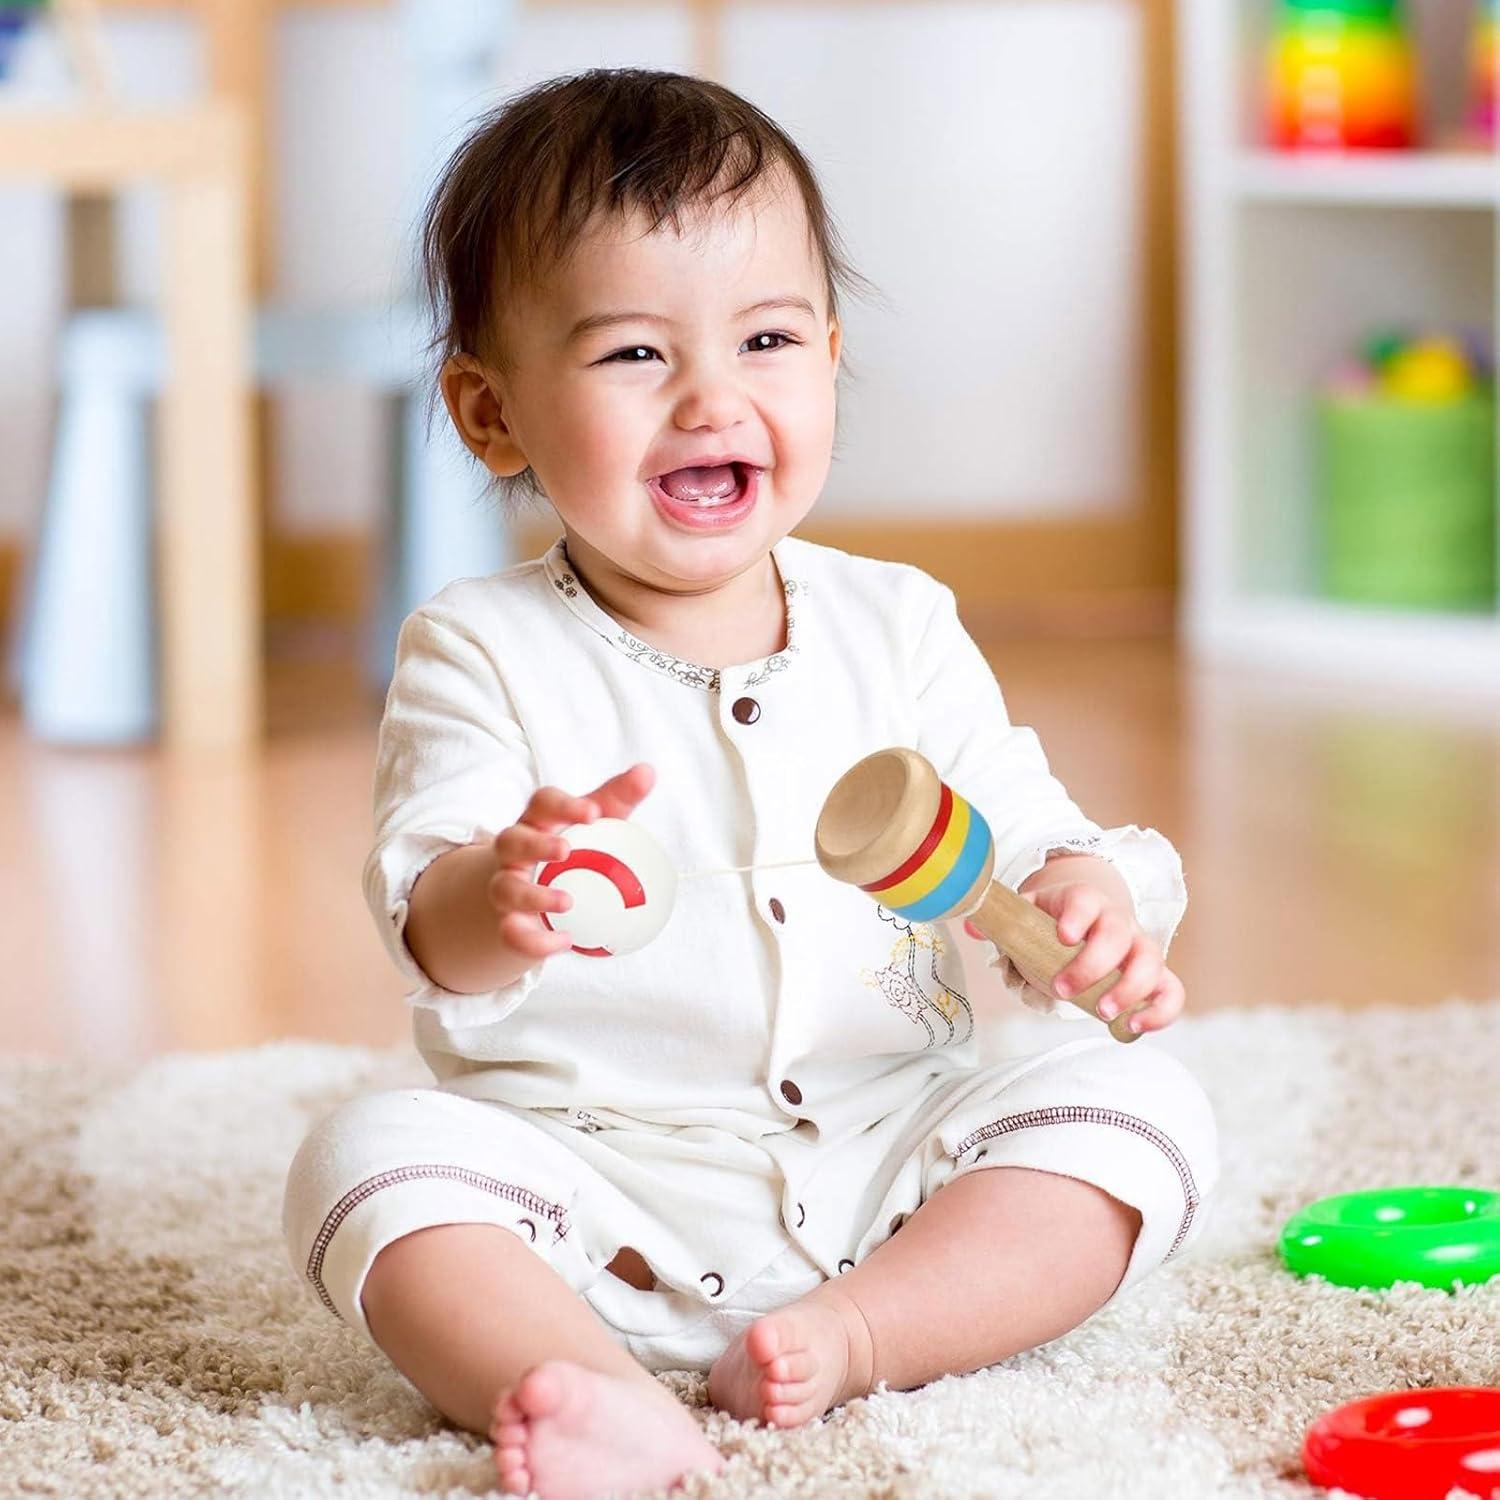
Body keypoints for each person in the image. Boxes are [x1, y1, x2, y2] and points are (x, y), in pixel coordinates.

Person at [283, 67, 1219, 1500]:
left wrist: (1090, 893)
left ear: (829, 357)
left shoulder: (898, 625)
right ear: (491, 414)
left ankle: (858, 1333)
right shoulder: (478, 649)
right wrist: (503, 890)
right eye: (633, 356)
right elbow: (430, 927)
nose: (713, 396)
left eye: (768, 338)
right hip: (592, 1196)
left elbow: (1028, 832)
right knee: (364, 1164)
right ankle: (586, 1389)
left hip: (893, 1160)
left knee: (1145, 1115)